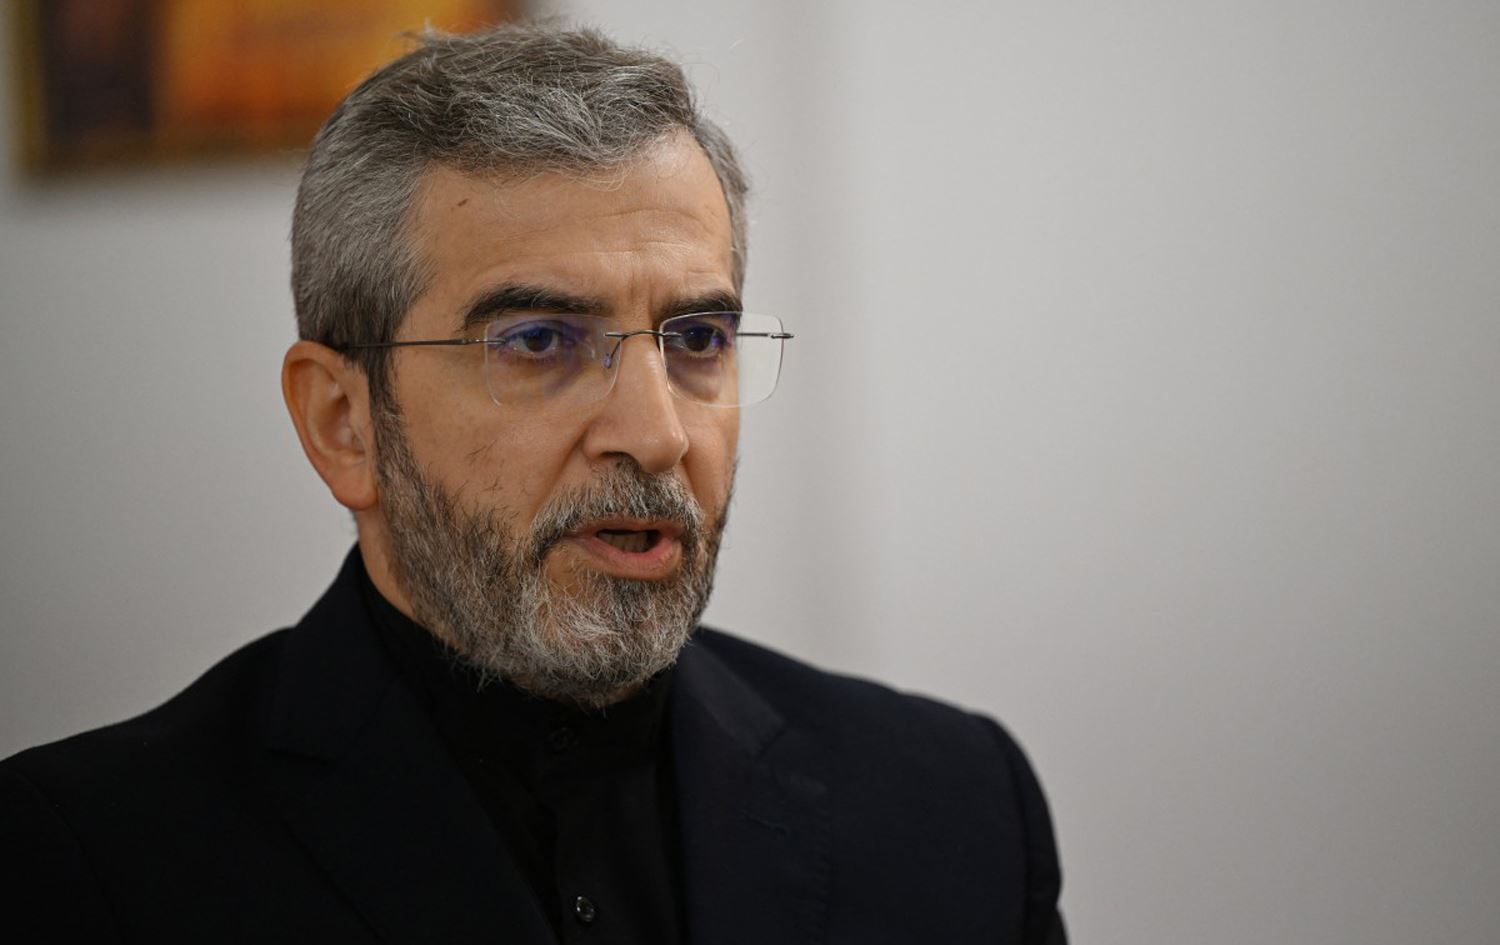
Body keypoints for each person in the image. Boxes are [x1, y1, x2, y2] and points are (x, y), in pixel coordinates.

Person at [0, 23, 1065, 944]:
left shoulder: (956, 806)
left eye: (698, 338)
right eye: (541, 340)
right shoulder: (87, 862)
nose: (656, 435)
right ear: (343, 423)